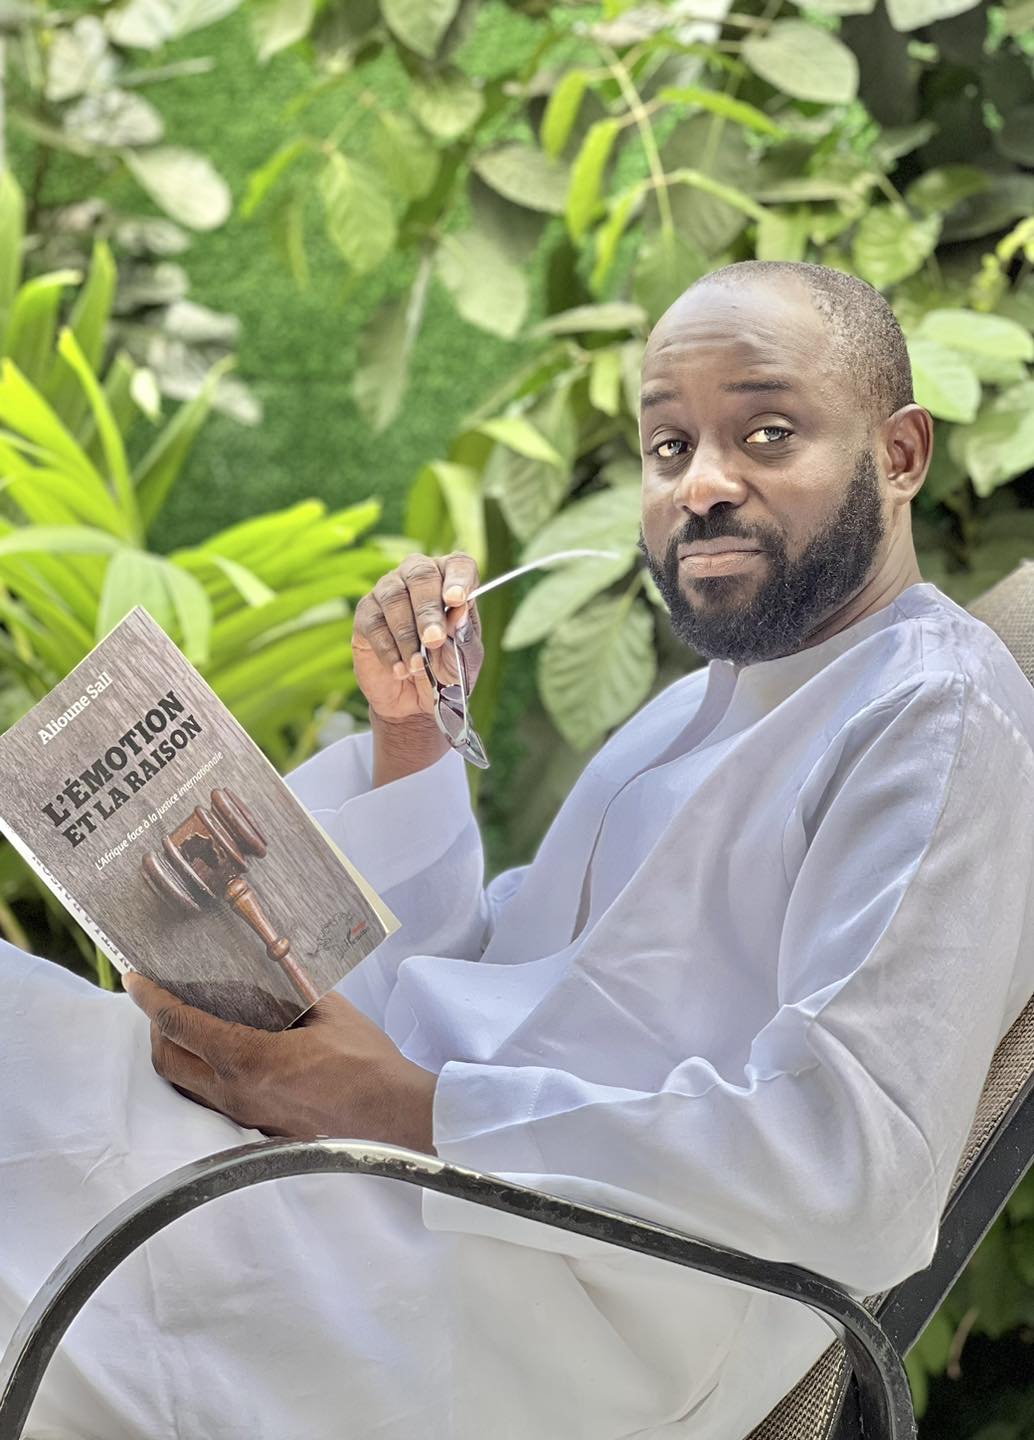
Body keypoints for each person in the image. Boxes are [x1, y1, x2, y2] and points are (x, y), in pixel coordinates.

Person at [2, 259, 1034, 1440]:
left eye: (764, 433)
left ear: (897, 453)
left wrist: (394, 1106)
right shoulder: (710, 702)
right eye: (666, 447)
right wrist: (410, 737)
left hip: (541, 1313)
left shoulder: (931, 715)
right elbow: (505, 984)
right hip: (402, 1195)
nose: (700, 484)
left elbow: (851, 1166)